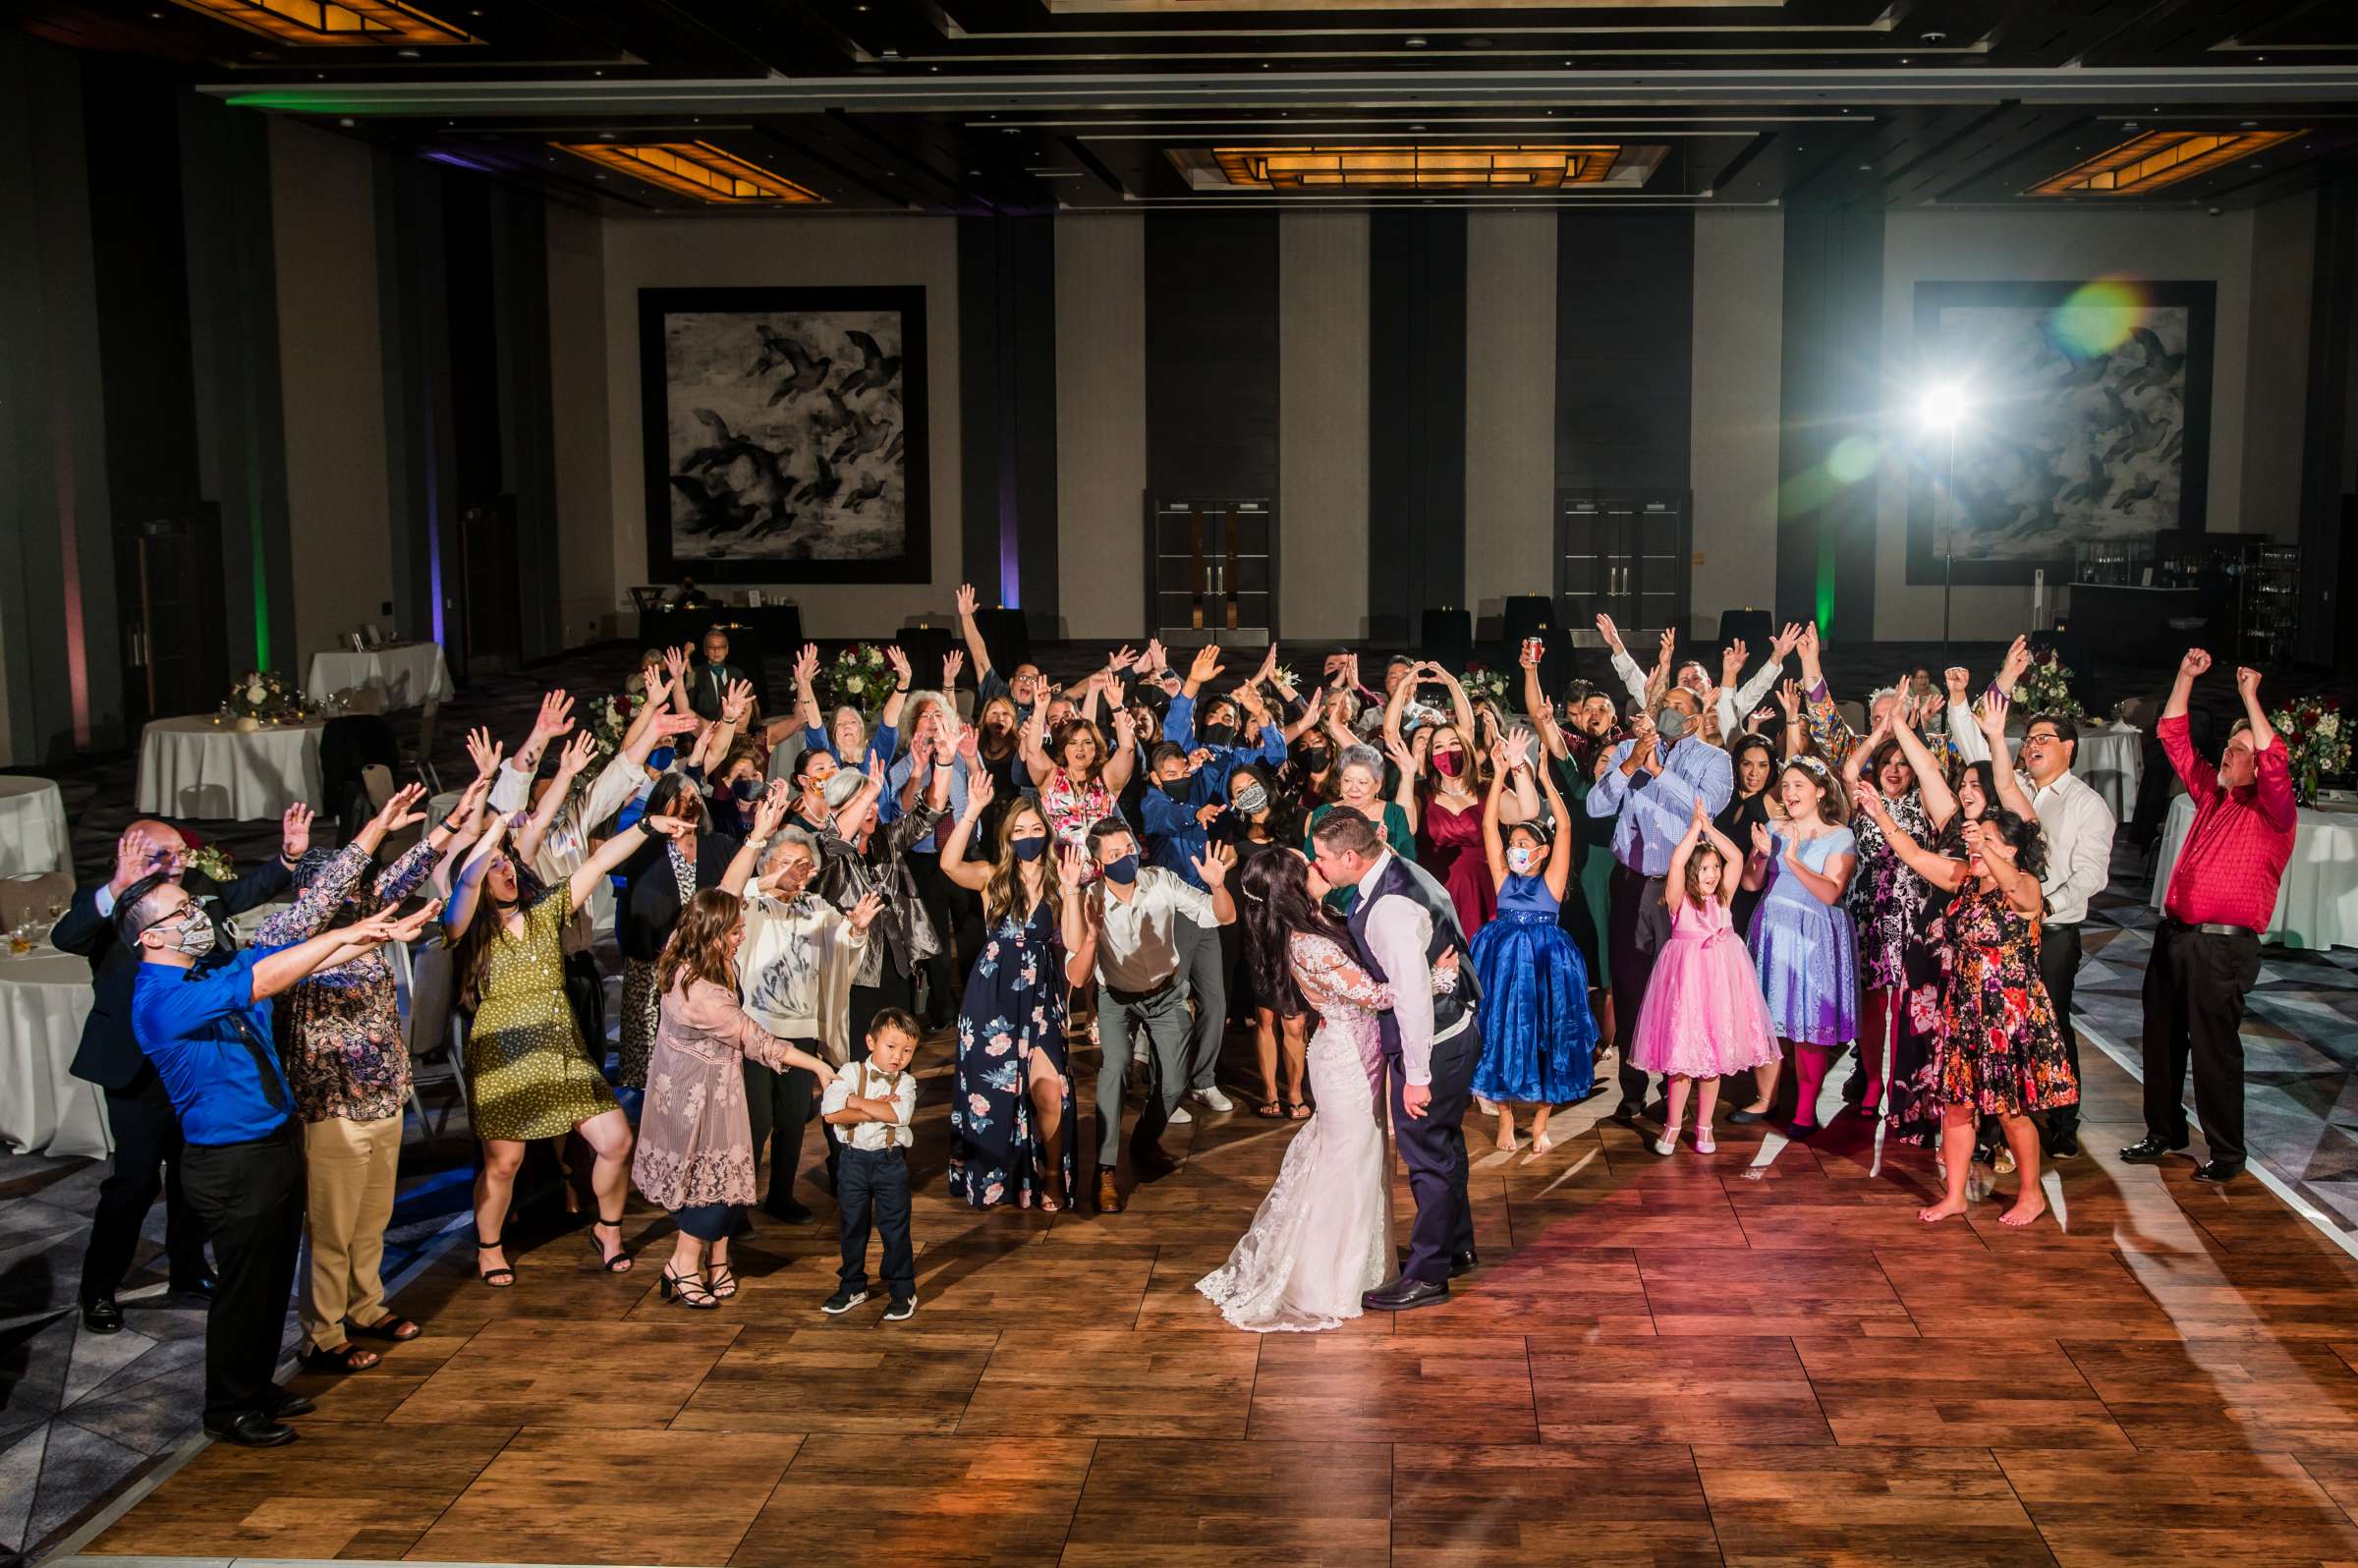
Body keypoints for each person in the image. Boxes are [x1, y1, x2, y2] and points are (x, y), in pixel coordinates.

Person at [116, 869, 438, 1446]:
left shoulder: (209, 973)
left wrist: (374, 935)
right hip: (232, 1162)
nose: (196, 915)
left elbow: (296, 961)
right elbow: (266, 977)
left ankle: (259, 1386)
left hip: (276, 1143)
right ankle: (228, 1407)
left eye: (193, 903)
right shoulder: (163, 1001)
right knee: (244, 1290)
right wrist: (352, 930)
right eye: (181, 910)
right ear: (151, 938)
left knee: (269, 1283)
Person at [58, 806, 309, 1335]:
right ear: (127, 855)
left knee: (194, 1170)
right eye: (160, 856)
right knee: (134, 1180)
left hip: (199, 1054)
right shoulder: (111, 904)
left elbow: (243, 893)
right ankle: (99, 1288)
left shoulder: (194, 887)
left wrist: (288, 857)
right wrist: (118, 886)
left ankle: (189, 1268)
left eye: (179, 853)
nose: (176, 864)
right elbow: (67, 937)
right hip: (135, 1065)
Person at [254, 785, 457, 1374]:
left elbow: (396, 877)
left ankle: (365, 1306)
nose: (353, 899)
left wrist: (451, 827)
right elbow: (331, 900)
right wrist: (369, 838)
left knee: (372, 1219)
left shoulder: (365, 925)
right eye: (339, 890)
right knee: (331, 1229)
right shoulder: (288, 939)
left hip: (382, 1096)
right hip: (330, 1107)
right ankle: (321, 1333)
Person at [445, 814, 672, 1285]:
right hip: (504, 1059)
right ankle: (489, 1249)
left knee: (616, 1141)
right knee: (503, 1164)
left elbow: (602, 859)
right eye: (495, 867)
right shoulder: (468, 930)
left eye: (508, 864)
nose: (507, 872)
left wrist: (649, 824)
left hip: (561, 1053)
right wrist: (488, 839)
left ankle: (608, 1232)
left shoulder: (546, 910)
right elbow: (465, 884)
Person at [1854, 785, 2076, 1224]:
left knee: (2010, 1113)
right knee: (1957, 1107)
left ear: (2011, 848)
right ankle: (1955, 1195)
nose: (1976, 848)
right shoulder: (1965, 881)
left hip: (2008, 1014)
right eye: (1977, 840)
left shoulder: (2026, 887)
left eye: (1989, 840)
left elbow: (2011, 881)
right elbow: (1915, 857)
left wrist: (1984, 849)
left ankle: (2031, 1194)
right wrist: (1881, 814)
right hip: (1964, 1008)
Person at [1197, 850, 1394, 1331]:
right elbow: (1376, 995)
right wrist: (1440, 976)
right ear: (1291, 886)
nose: (1318, 867)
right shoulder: (1311, 945)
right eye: (1308, 865)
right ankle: (1325, 1281)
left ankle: (1362, 1268)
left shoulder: (1319, 922)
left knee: (1358, 1160)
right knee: (1349, 1165)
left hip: (1351, 1052)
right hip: (1345, 1061)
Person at [2121, 652, 2295, 1184]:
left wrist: (2249, 700)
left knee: (2215, 1051)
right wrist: (2185, 677)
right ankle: (2165, 1130)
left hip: (2223, 948)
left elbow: (2275, 758)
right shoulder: (2210, 793)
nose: (2228, 753)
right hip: (2176, 937)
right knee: (2162, 1037)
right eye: (2229, 746)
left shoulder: (2274, 811)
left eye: (2238, 751)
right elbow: (2172, 733)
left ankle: (2226, 1153)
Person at [634, 887, 839, 1308]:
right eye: (733, 930)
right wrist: (817, 1065)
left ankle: (718, 1261)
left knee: (729, 1173)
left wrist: (756, 843)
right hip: (695, 1095)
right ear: (710, 933)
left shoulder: (687, 945)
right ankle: (682, 1264)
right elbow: (759, 1040)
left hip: (716, 1087)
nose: (740, 936)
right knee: (706, 1185)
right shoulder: (700, 994)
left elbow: (723, 890)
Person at [1310, 809, 1481, 1312]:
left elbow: (1410, 997)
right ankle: (1456, 1247)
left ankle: (1428, 1274)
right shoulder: (1398, 868)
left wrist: (1417, 1076)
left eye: (1322, 858)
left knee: (1427, 1156)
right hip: (1452, 1029)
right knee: (1446, 1146)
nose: (1318, 867)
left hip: (1434, 1042)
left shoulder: (1389, 909)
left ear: (1349, 856)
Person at [1949, 698, 2119, 1159]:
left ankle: (2064, 1122)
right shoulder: (2016, 788)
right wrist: (1975, 715)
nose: (2033, 746)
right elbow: (1989, 767)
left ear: (2069, 747)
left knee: (2050, 1025)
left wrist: (2045, 905)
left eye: (2044, 739)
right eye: (2030, 739)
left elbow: (2091, 875)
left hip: (2053, 929)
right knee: (2000, 1026)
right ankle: (1999, 1126)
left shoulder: (2088, 805)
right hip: (2003, 930)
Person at [724, 795, 883, 1225]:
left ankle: (780, 1196)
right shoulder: (752, 905)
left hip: (801, 1030)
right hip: (756, 1030)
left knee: (793, 1119)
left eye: (802, 863)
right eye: (785, 862)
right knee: (756, 1122)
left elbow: (843, 945)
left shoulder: (816, 908)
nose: (795, 871)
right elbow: (729, 893)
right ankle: (738, 1207)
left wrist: (855, 929)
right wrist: (766, 877)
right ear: (766, 865)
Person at [941, 779, 1095, 1211]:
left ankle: (1049, 1175)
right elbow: (950, 865)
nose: (1028, 837)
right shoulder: (993, 877)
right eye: (1019, 830)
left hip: (1042, 993)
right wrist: (971, 809)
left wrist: (1071, 890)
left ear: (1047, 832)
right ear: (1008, 836)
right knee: (993, 1092)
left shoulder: (1060, 879)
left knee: (1050, 1088)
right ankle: (996, 1179)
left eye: (1035, 829)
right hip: (990, 997)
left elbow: (1073, 939)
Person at [1586, 687, 1733, 1126]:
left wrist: (1658, 772)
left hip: (1683, 890)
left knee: (1680, 994)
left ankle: (1675, 1092)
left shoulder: (1714, 760)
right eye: (1663, 704)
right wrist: (1631, 765)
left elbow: (1706, 810)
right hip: (1631, 884)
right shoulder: (1628, 749)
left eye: (1677, 708)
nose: (1667, 712)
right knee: (1630, 987)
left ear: (1693, 720)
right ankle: (1631, 1091)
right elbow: (1595, 806)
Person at [1082, 818, 1238, 1213]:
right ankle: (1104, 1169)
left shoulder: (1162, 881)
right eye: (1114, 854)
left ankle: (1144, 1142)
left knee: (1173, 1084)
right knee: (1114, 1069)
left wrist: (1218, 885)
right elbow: (1076, 966)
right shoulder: (1090, 899)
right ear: (1099, 862)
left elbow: (1221, 916)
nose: (1125, 859)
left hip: (1166, 994)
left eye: (1128, 849)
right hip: (1116, 997)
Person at [1629, 797, 1781, 1154]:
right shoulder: (1679, 898)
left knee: (1712, 1061)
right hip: (1687, 980)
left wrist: (1711, 829)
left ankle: (1705, 1126)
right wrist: (1695, 830)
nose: (1712, 874)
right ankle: (1672, 1125)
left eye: (1715, 867)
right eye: (1705, 869)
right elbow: (1677, 861)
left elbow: (1738, 858)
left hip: (1719, 979)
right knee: (1682, 1062)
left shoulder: (1724, 897)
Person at [1468, 730, 1595, 1154]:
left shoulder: (1552, 882)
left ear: (1541, 851)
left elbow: (1568, 826)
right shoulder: (1504, 879)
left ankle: (1540, 1122)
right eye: (1513, 844)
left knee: (1548, 1038)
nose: (1515, 848)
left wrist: (1544, 778)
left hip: (1545, 964)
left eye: (1524, 844)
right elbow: (1488, 824)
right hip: (1505, 963)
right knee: (1504, 1035)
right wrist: (1501, 771)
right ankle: (1505, 1117)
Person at [1735, 756, 1859, 1131]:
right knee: (1768, 1018)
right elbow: (1751, 884)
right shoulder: (1774, 827)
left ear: (1820, 791)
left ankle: (1805, 1109)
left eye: (1798, 786)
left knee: (1809, 1023)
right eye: (1785, 786)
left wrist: (1791, 857)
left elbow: (1831, 892)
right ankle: (1764, 1100)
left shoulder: (1841, 835)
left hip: (1814, 934)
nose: (1789, 794)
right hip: (1773, 928)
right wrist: (1759, 854)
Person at [820, 1008, 923, 1321]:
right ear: (870, 1041)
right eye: (891, 1047)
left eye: (907, 1050)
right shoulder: (850, 1072)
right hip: (852, 1161)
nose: (898, 1057)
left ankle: (903, 1290)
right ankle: (852, 1284)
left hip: (889, 1162)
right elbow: (831, 1113)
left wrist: (854, 1101)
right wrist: (877, 1109)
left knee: (895, 1229)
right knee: (852, 1226)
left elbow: (901, 1116)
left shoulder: (906, 1083)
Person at [687, 627, 752, 722]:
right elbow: (688, 695)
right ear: (705, 650)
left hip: (732, 728)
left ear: (727, 650)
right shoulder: (696, 673)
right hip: (704, 728)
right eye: (712, 647)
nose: (716, 650)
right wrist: (686, 658)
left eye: (721, 647)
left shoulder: (737, 673)